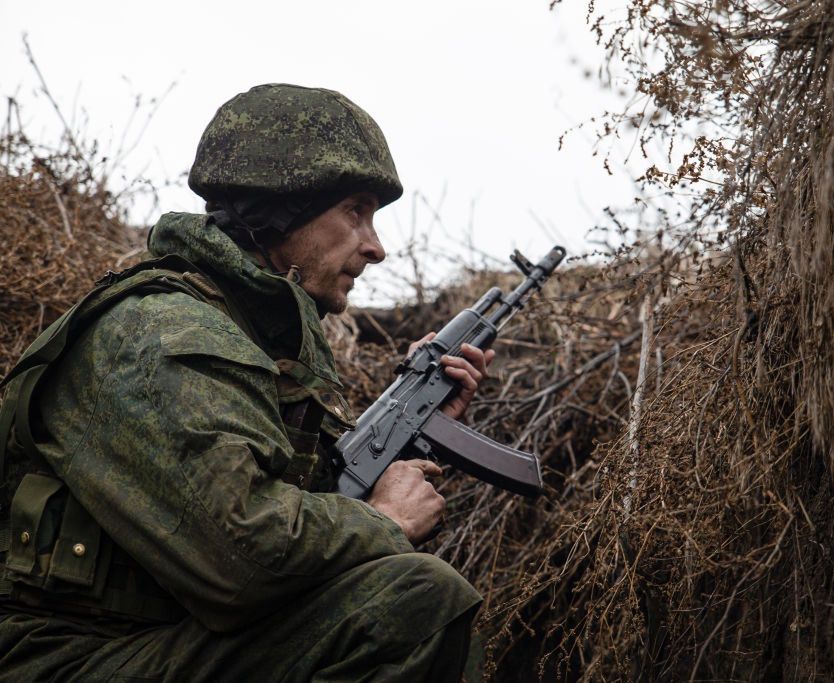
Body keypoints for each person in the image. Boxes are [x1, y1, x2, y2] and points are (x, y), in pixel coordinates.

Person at [0, 83, 493, 681]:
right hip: (62, 657)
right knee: (417, 601)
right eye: (355, 212)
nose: (376, 247)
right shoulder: (164, 331)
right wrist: (384, 522)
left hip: (159, 643)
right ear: (282, 209)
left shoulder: (251, 333)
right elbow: (243, 560)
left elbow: (300, 506)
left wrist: (416, 428)